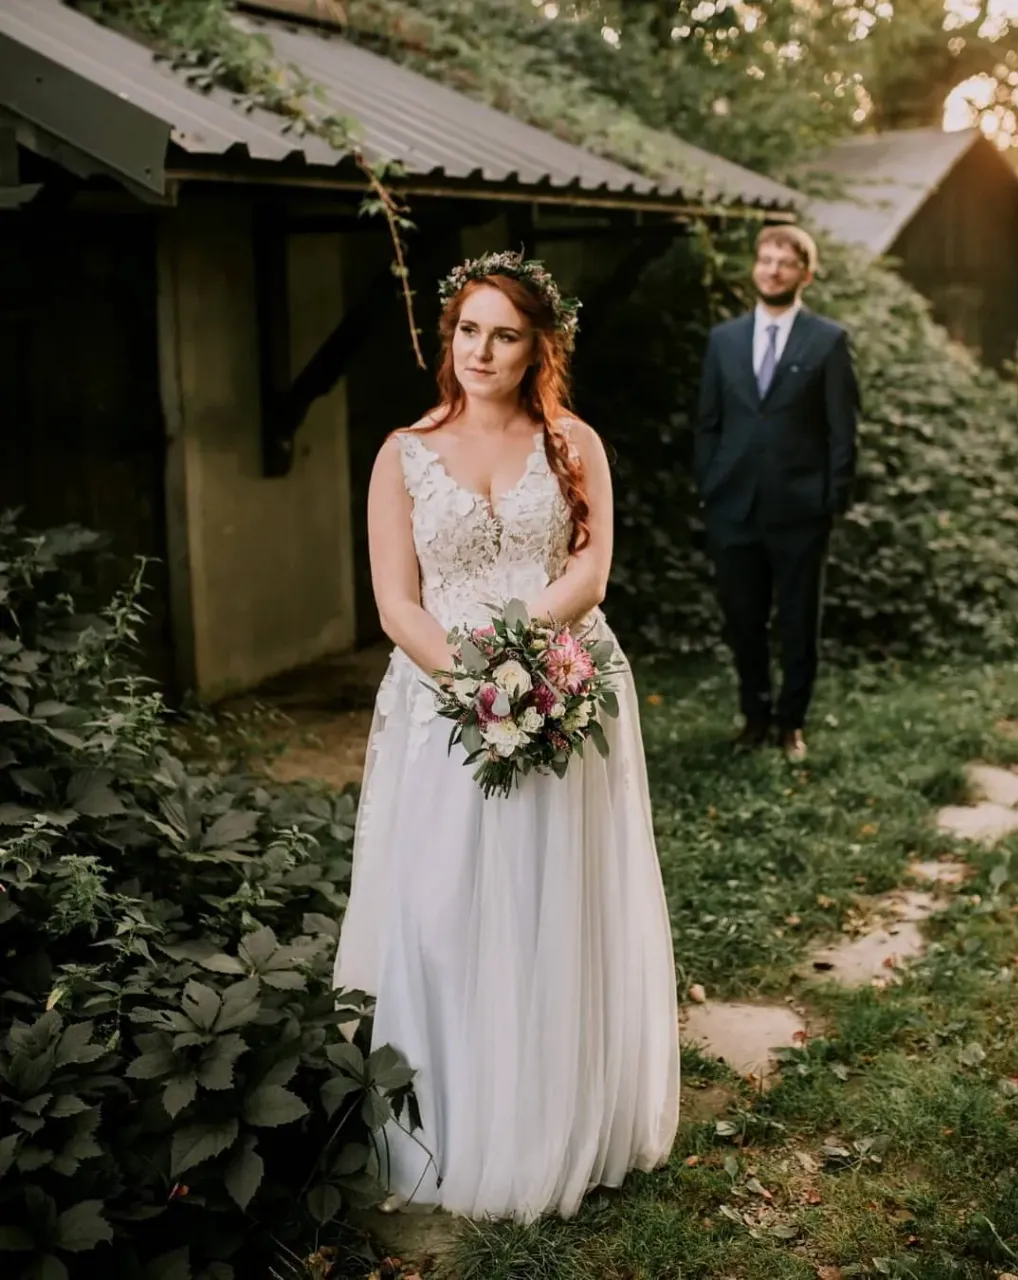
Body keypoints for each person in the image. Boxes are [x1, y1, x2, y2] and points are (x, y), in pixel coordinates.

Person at [332, 251, 680, 1223]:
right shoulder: (403, 452)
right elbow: (396, 602)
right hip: (441, 700)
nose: (481, 350)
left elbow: (591, 569)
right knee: (444, 905)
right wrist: (474, 683)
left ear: (538, 347)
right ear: (449, 338)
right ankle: (457, 1114)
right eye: (467, 330)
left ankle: (560, 1115)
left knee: (556, 894)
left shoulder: (574, 443)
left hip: (564, 681)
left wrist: (521, 660)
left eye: (504, 334)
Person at [694, 225, 860, 763]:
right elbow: (709, 423)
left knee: (796, 623)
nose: (772, 269)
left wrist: (830, 501)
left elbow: (843, 431)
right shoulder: (724, 340)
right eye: (764, 260)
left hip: (800, 511)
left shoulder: (828, 341)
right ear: (755, 268)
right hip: (733, 508)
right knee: (743, 619)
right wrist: (709, 485)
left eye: (784, 263)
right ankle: (755, 717)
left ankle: (791, 723)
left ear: (804, 275)